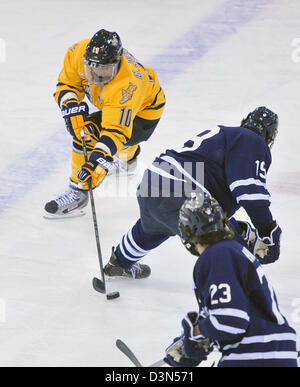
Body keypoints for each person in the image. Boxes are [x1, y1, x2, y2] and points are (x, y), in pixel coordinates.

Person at [103, 106, 281, 279]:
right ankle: (232, 300)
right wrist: (267, 229)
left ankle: (119, 262)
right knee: (232, 252)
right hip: (183, 191)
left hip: (153, 183)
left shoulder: (226, 134)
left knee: (153, 228)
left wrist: (238, 228)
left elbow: (208, 194)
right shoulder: (252, 141)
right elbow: (250, 193)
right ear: (269, 137)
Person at [164, 193, 298, 367]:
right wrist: (197, 342)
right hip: (274, 351)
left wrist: (196, 330)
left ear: (187, 231)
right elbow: (232, 317)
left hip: (255, 354)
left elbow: (229, 321)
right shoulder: (232, 252)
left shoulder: (218, 255)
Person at [44, 29, 165, 218]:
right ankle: (128, 160)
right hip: (118, 104)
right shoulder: (79, 51)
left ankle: (79, 190)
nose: (97, 73)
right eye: (92, 66)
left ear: (117, 61)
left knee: (89, 133)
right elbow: (66, 84)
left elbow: (114, 132)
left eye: (104, 68)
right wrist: (70, 103)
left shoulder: (128, 85)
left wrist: (98, 158)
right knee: (85, 128)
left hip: (144, 113)